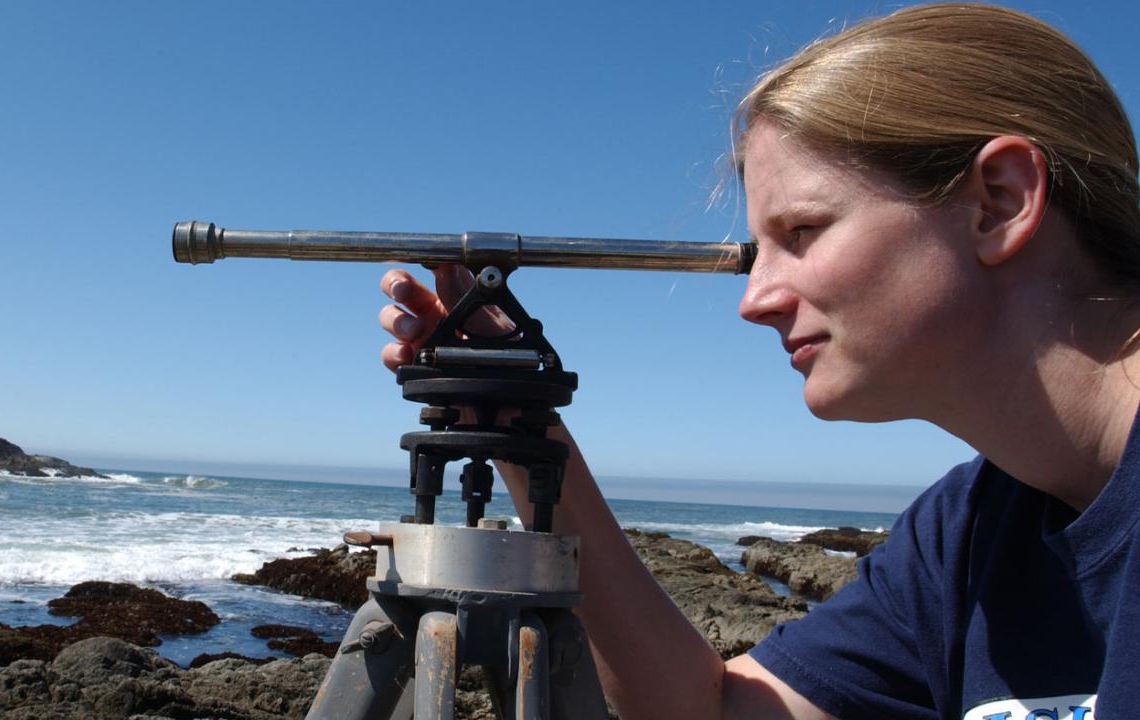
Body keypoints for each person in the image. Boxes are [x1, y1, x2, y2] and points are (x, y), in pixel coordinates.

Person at [377, 4, 1140, 718]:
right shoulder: (969, 534)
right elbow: (716, 710)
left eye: (802, 230)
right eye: (755, 254)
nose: (756, 299)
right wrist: (522, 428)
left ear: (999, 202)